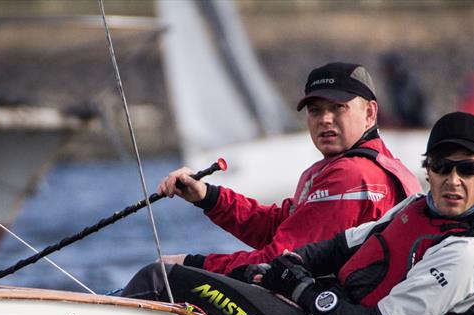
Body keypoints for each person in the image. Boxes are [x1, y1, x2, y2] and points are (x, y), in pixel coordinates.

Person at [121, 112, 474, 315]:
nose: (453, 180)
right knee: (189, 292)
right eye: (442, 167)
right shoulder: (415, 209)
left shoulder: (465, 256)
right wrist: (289, 266)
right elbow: (341, 246)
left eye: (467, 169)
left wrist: (301, 289)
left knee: (162, 279)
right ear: (428, 170)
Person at [158, 62, 421, 281]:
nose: (325, 119)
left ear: (370, 113)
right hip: (334, 314)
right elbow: (282, 227)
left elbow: (281, 258)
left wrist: (191, 264)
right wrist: (207, 196)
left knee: (160, 276)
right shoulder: (376, 164)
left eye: (338, 107)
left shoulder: (353, 175)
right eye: (315, 110)